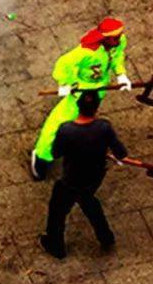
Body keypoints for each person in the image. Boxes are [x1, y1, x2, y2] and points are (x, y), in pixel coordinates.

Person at [31, 17, 130, 179]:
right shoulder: (85, 52)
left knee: (84, 118)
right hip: (80, 91)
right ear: (105, 37)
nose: (119, 40)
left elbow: (118, 55)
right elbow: (63, 64)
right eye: (115, 38)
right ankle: (42, 154)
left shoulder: (118, 42)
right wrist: (67, 83)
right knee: (58, 121)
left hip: (99, 89)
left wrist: (121, 74)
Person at [41, 90, 127, 259]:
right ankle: (105, 236)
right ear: (96, 108)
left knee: (57, 211)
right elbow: (121, 153)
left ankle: (55, 245)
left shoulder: (66, 130)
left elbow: (56, 153)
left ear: (78, 106)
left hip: (71, 179)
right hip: (95, 176)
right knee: (88, 201)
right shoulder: (104, 127)